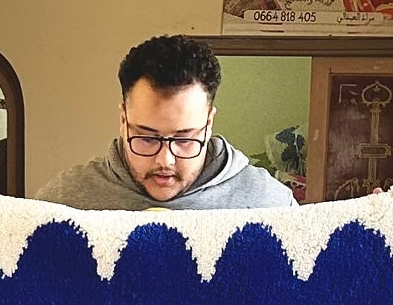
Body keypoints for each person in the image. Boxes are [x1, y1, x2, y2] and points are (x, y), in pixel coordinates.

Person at [35, 34, 296, 210]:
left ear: (209, 124)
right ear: (123, 120)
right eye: (147, 138)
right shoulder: (61, 202)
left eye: (184, 139)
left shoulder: (270, 204)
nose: (165, 161)